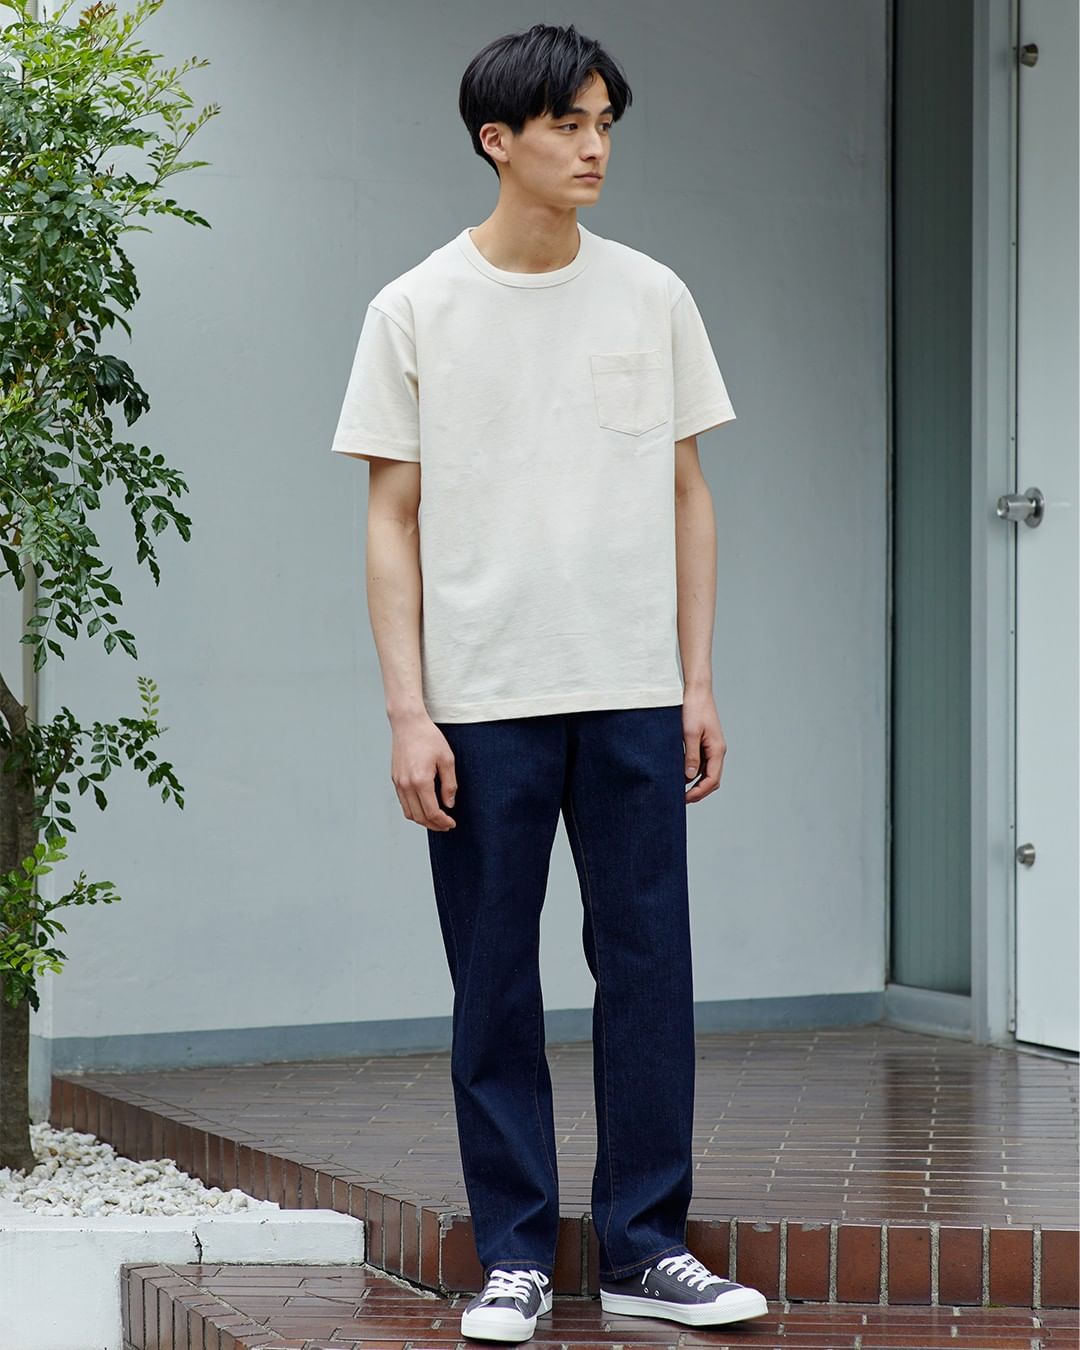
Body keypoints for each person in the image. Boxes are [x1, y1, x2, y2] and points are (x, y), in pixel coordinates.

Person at [329, 20, 768, 1343]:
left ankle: (645, 1246)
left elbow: (688, 494)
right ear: (497, 139)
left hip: (632, 689)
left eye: (605, 124)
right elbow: (390, 519)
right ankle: (514, 1255)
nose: (594, 148)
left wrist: (696, 680)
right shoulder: (414, 309)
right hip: (480, 702)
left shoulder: (652, 295)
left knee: (650, 967)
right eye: (568, 124)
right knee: (494, 981)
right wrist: (409, 709)